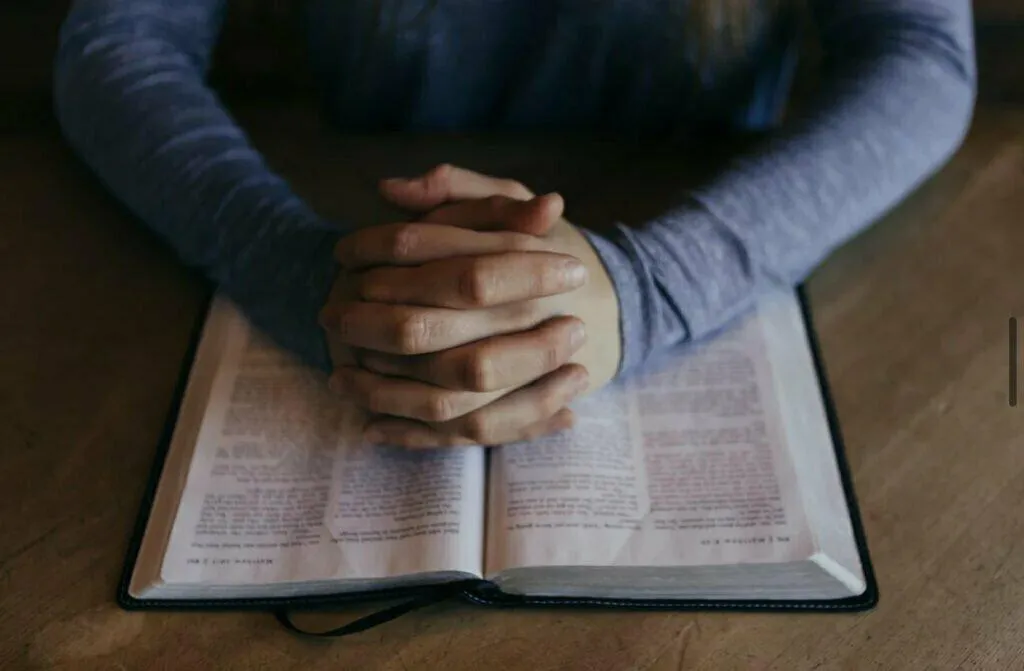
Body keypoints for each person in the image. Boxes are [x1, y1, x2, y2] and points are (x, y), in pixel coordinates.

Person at [53, 0, 976, 448]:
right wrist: (312, 274)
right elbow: (116, 43)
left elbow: (922, 53)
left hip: (698, 213)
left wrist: (650, 286)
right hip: (370, 223)